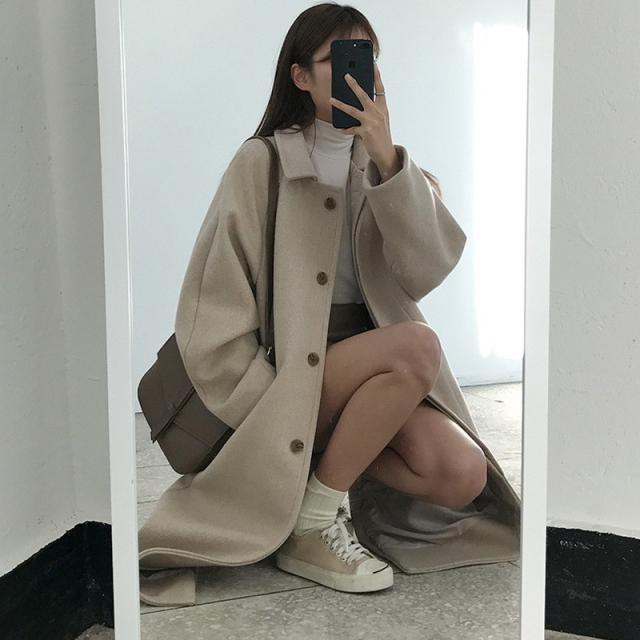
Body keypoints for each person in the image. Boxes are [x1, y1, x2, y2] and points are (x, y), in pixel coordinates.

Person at [246, 3, 488, 593]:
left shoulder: (393, 170)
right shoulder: (262, 163)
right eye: (340, 59)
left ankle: (316, 473)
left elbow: (424, 273)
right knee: (416, 346)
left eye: (368, 58)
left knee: (462, 473)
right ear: (300, 77)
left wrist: (387, 158)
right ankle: (311, 524)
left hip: (380, 361)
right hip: (292, 370)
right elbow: (215, 299)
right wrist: (243, 392)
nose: (361, 72)